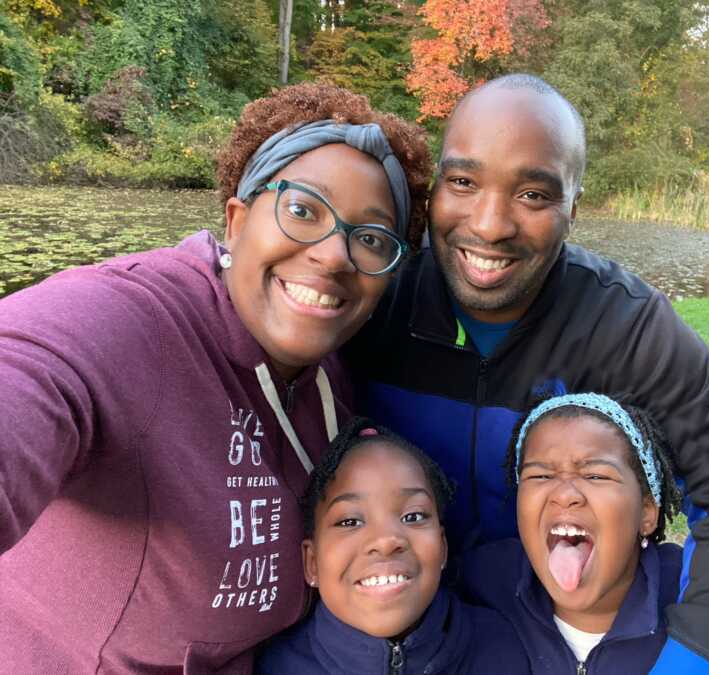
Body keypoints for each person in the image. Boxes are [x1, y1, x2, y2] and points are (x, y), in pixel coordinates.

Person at [347, 73, 709, 673]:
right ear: (434, 188)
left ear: (574, 208)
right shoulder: (376, 300)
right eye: (463, 181)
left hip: (589, 636)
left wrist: (691, 665)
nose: (489, 225)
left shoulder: (627, 328)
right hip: (430, 637)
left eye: (534, 195)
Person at [0, 83, 431, 672]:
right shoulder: (133, 321)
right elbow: (33, 368)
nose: (334, 256)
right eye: (302, 209)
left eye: (371, 238)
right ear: (236, 220)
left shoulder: (330, 374)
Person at [461, 393, 709, 674]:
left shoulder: (696, 601)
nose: (564, 493)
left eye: (596, 475)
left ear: (646, 513)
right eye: (541, 475)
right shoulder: (483, 581)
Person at [255, 417, 527, 674]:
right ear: (312, 563)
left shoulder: (504, 649)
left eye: (413, 516)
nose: (385, 541)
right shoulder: (277, 666)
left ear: (443, 547)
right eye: (349, 521)